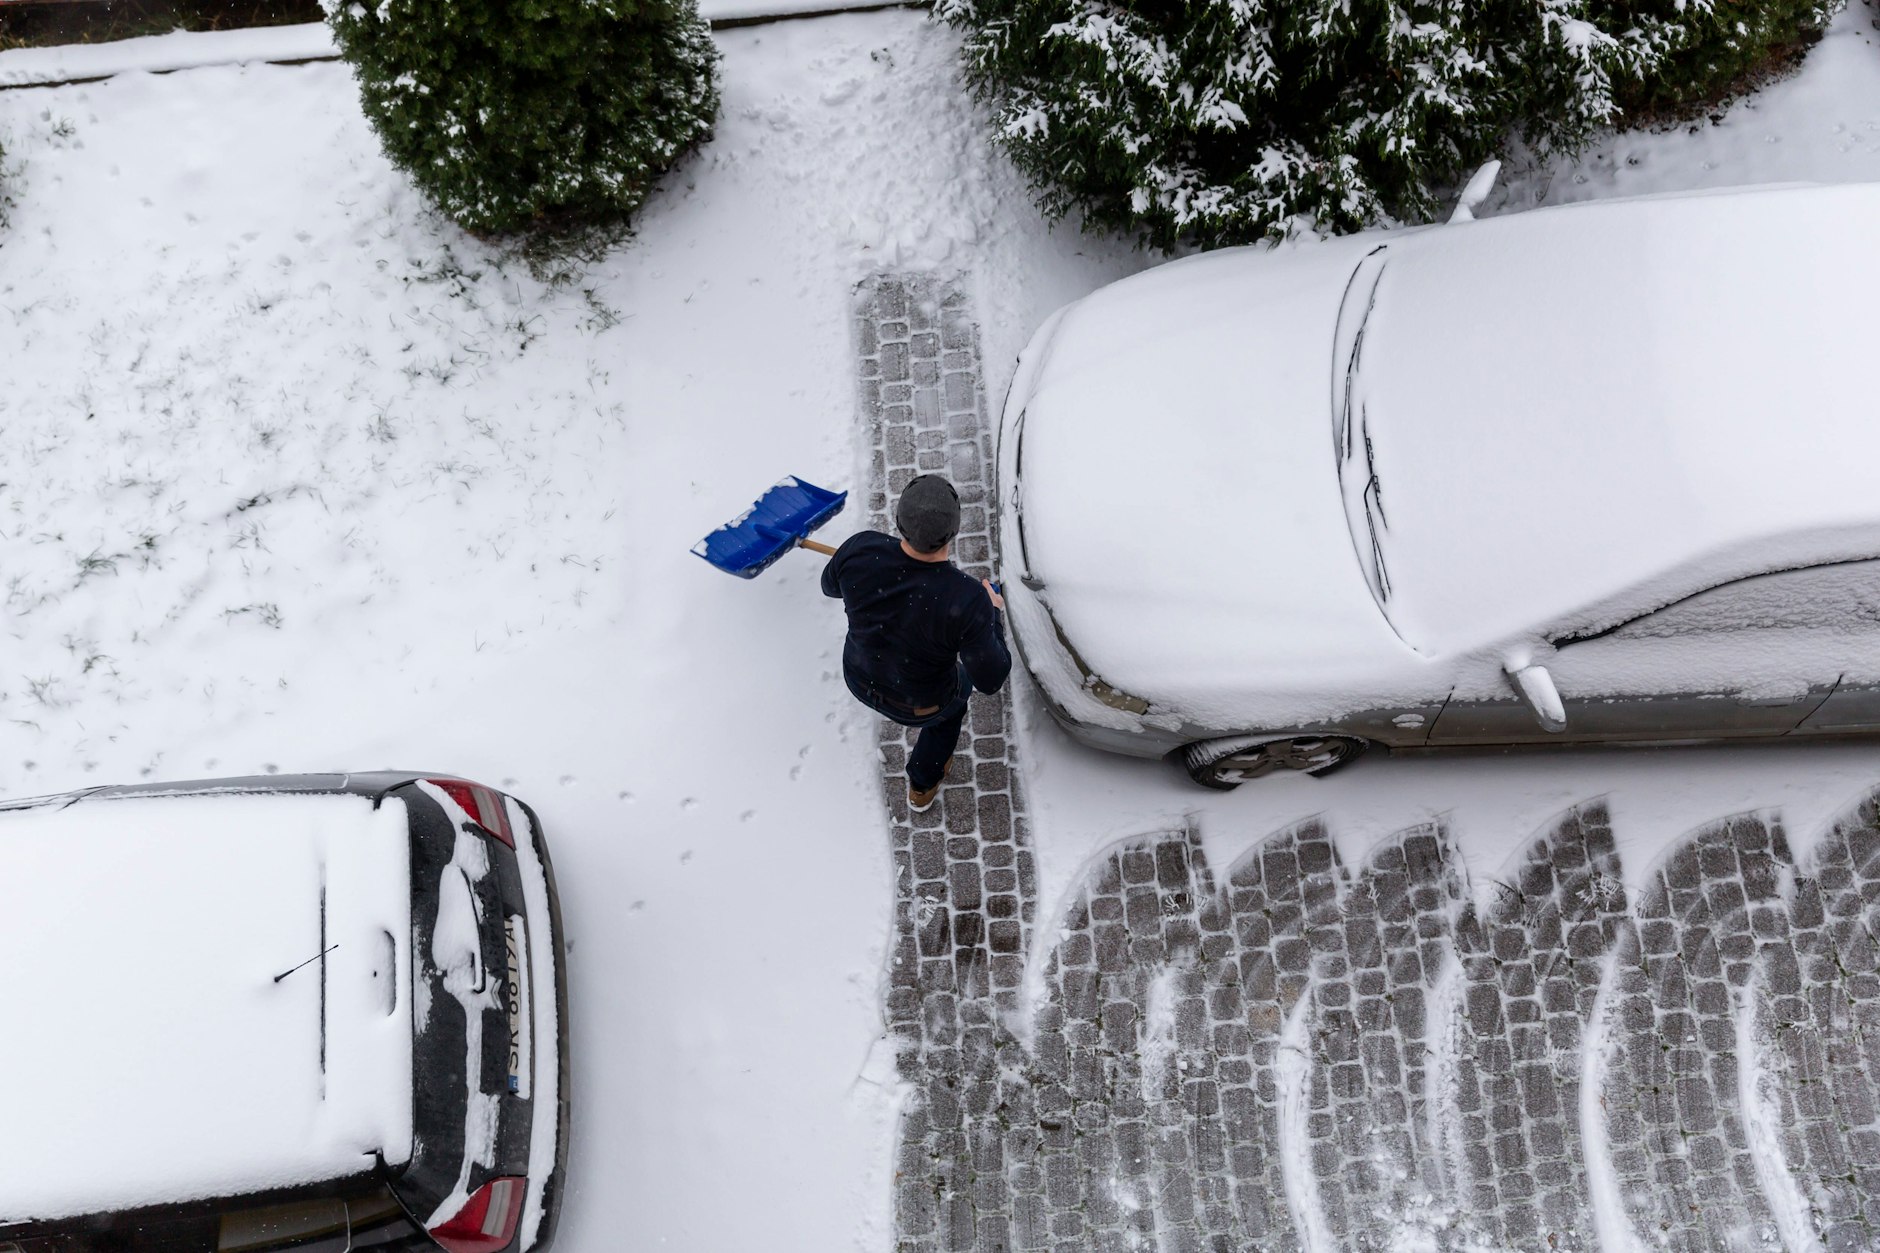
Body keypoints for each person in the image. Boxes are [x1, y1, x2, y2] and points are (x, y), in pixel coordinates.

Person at [821, 474, 1010, 810]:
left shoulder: (860, 548)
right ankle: (922, 784)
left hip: (859, 677)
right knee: (955, 702)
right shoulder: (967, 600)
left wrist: (858, 567)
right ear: (954, 531)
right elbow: (991, 678)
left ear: (898, 520)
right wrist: (992, 613)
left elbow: (830, 587)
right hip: (921, 704)